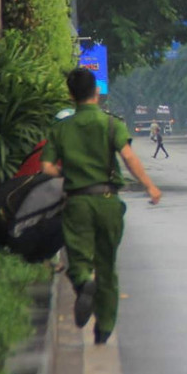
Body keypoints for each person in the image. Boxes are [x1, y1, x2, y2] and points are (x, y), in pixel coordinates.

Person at [42, 68, 162, 345]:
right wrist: (149, 186)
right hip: (108, 201)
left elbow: (47, 167)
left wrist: (68, 174)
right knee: (108, 267)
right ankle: (104, 328)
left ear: (71, 95)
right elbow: (129, 158)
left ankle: (84, 282)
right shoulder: (111, 125)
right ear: (96, 92)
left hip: (77, 202)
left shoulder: (60, 129)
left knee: (78, 260)